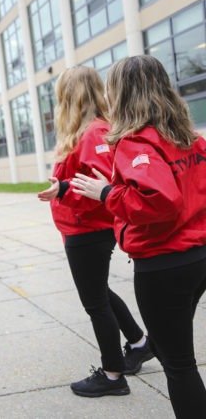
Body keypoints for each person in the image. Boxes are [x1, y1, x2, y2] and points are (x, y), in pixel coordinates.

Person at [71, 55, 206, 418]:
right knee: (170, 348)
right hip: (197, 257)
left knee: (179, 364)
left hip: (166, 264)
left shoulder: (136, 143)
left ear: (121, 93)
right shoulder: (189, 138)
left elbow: (160, 201)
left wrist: (106, 193)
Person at [37, 66, 152, 398]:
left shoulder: (93, 133)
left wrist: (63, 190)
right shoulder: (89, 132)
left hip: (87, 230)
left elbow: (103, 190)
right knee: (99, 292)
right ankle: (139, 342)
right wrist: (63, 187)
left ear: (69, 97)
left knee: (95, 304)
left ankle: (114, 375)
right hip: (83, 229)